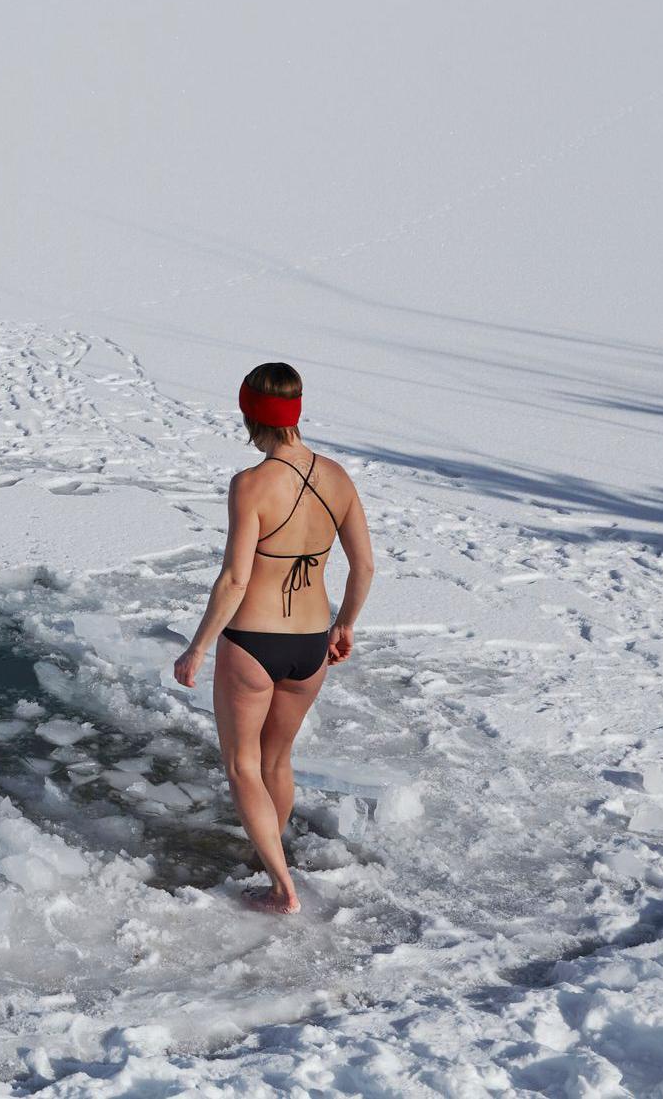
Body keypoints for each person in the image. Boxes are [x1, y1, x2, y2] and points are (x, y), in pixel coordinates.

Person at [172, 362, 374, 915]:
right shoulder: (338, 478)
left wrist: (198, 646)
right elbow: (364, 567)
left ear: (251, 414)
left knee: (242, 765)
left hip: (255, 642)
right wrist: (345, 624)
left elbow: (236, 579)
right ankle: (271, 858)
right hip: (311, 643)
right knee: (276, 760)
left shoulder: (251, 484)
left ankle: (282, 888)